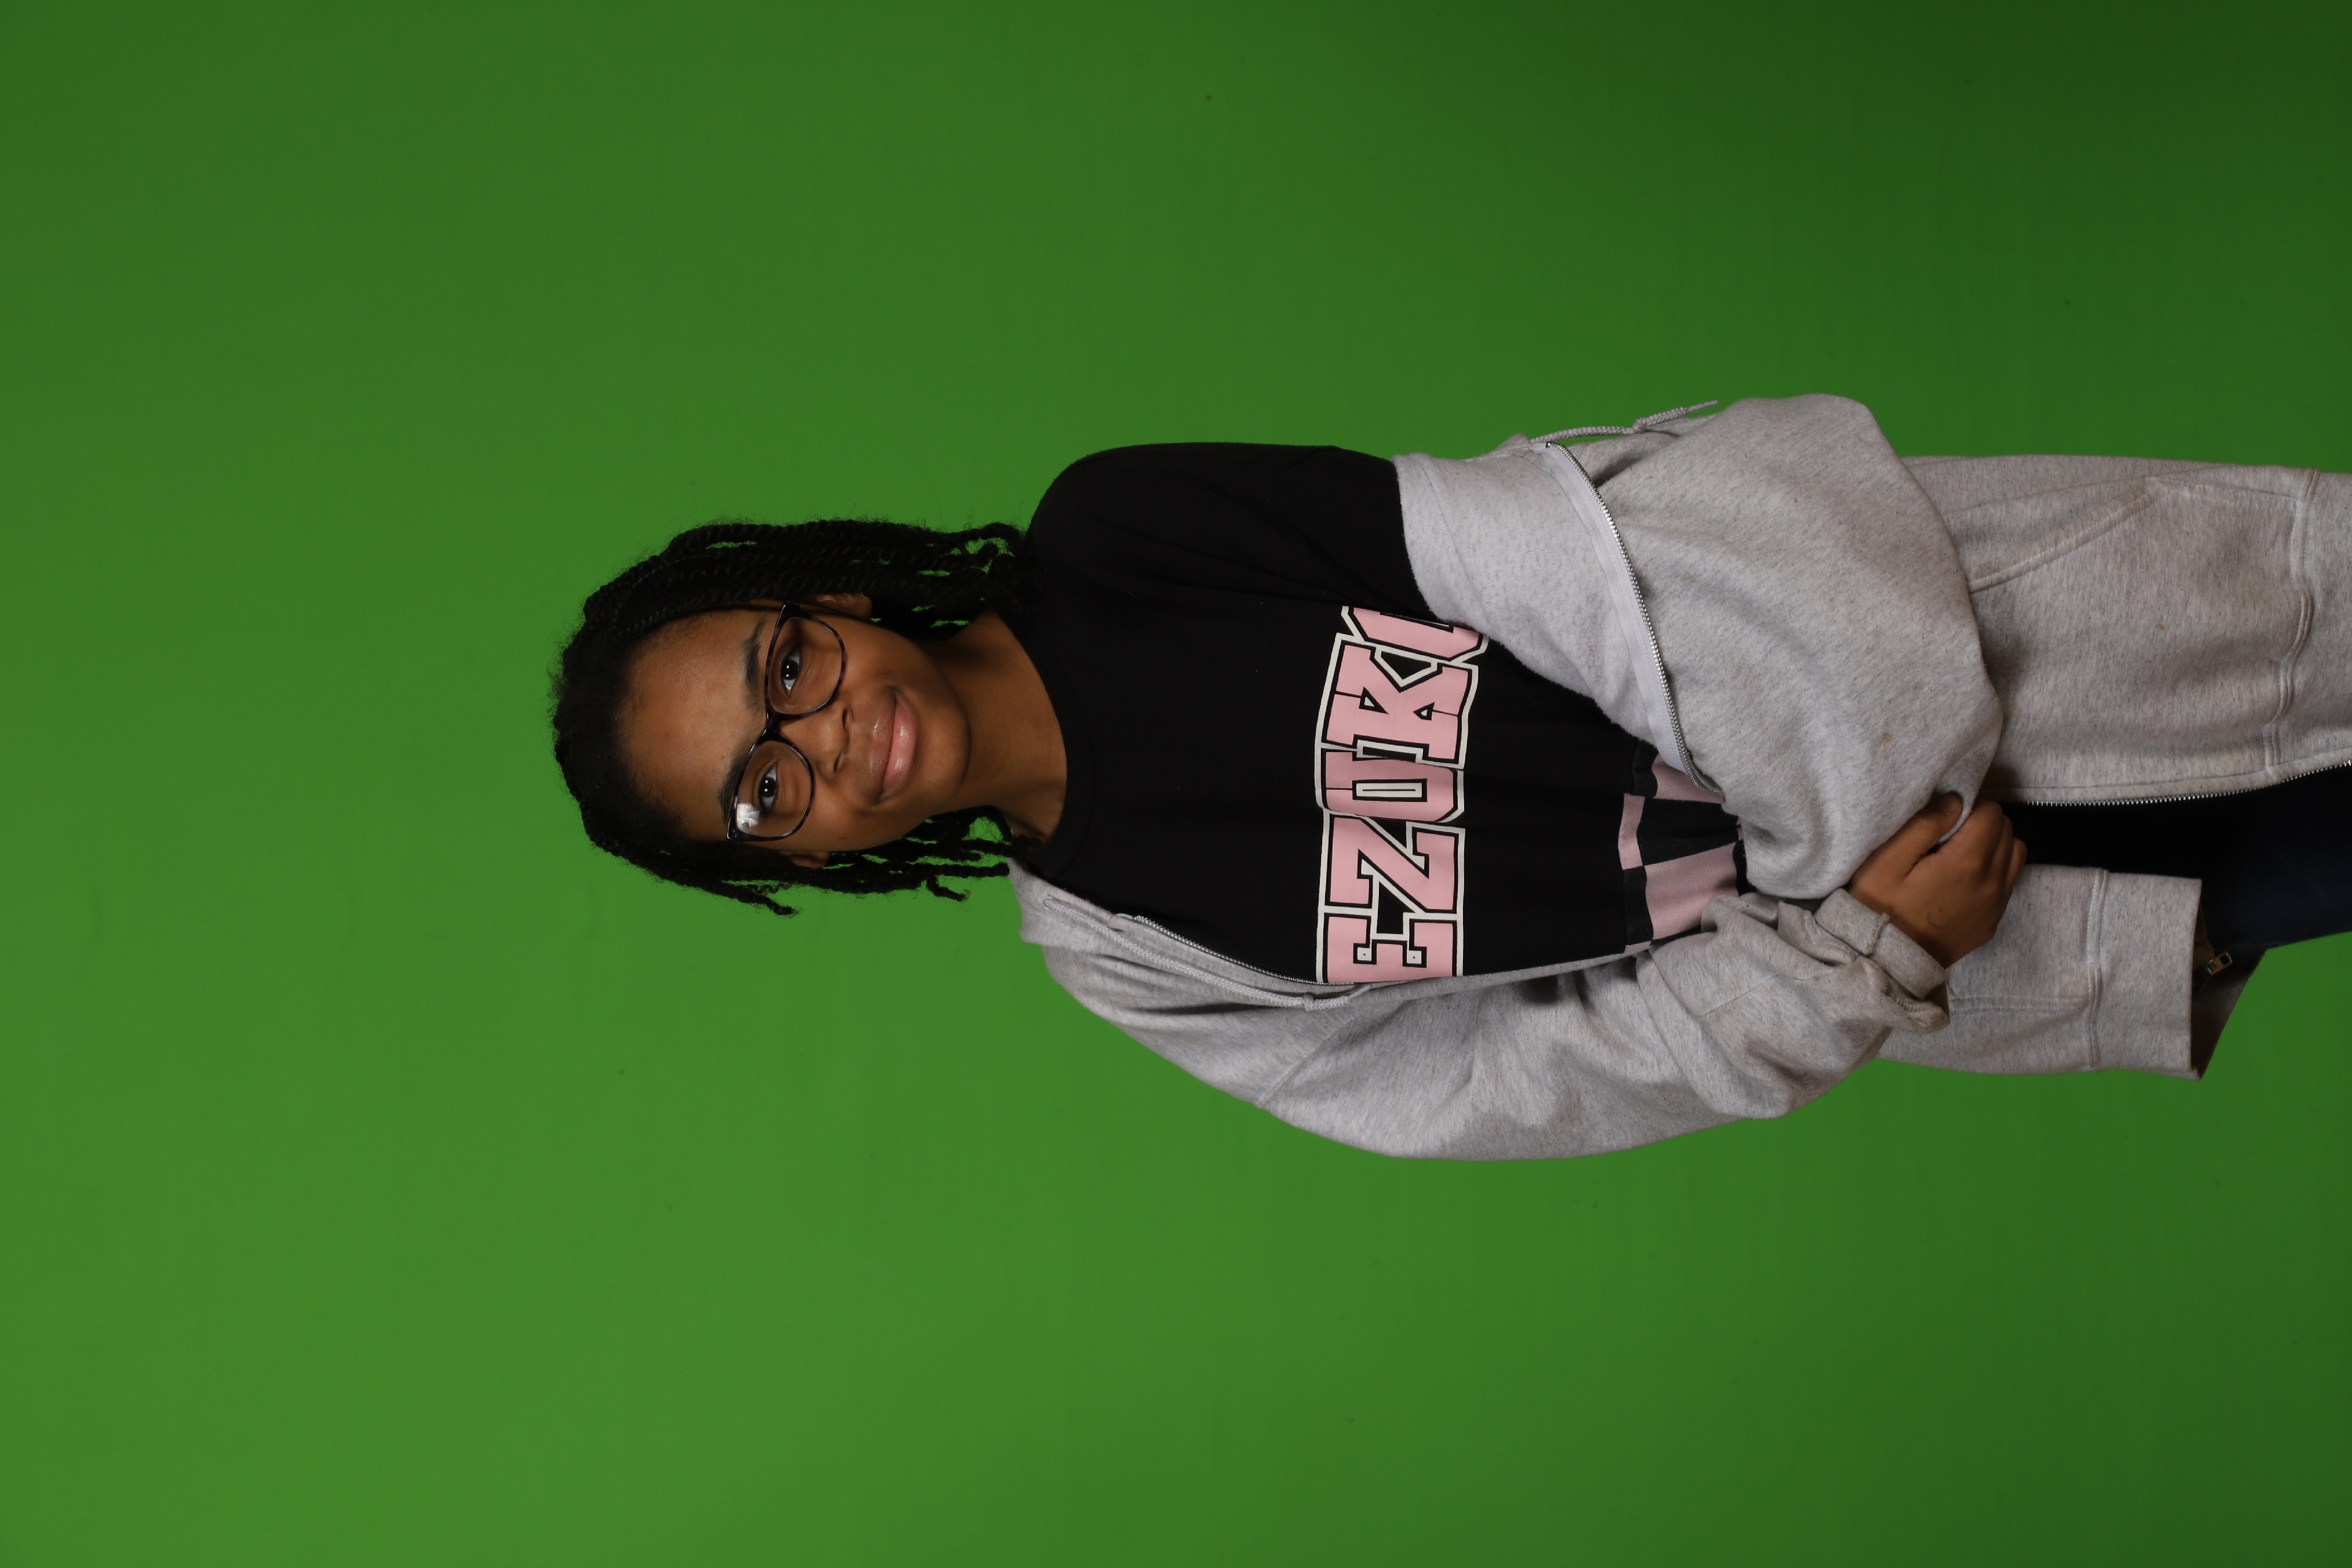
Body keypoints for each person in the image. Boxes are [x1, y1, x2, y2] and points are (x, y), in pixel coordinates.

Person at [552, 395, 2352, 1159]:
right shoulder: (1121, 953)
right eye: (762, 792)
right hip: (1965, 913)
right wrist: (1856, 957)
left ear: (833, 603)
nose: (819, 738)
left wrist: (1846, 819)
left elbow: (1567, 556)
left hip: (1965, 651)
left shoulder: (1121, 537)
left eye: (782, 669)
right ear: (797, 860)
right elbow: (1513, 1082)